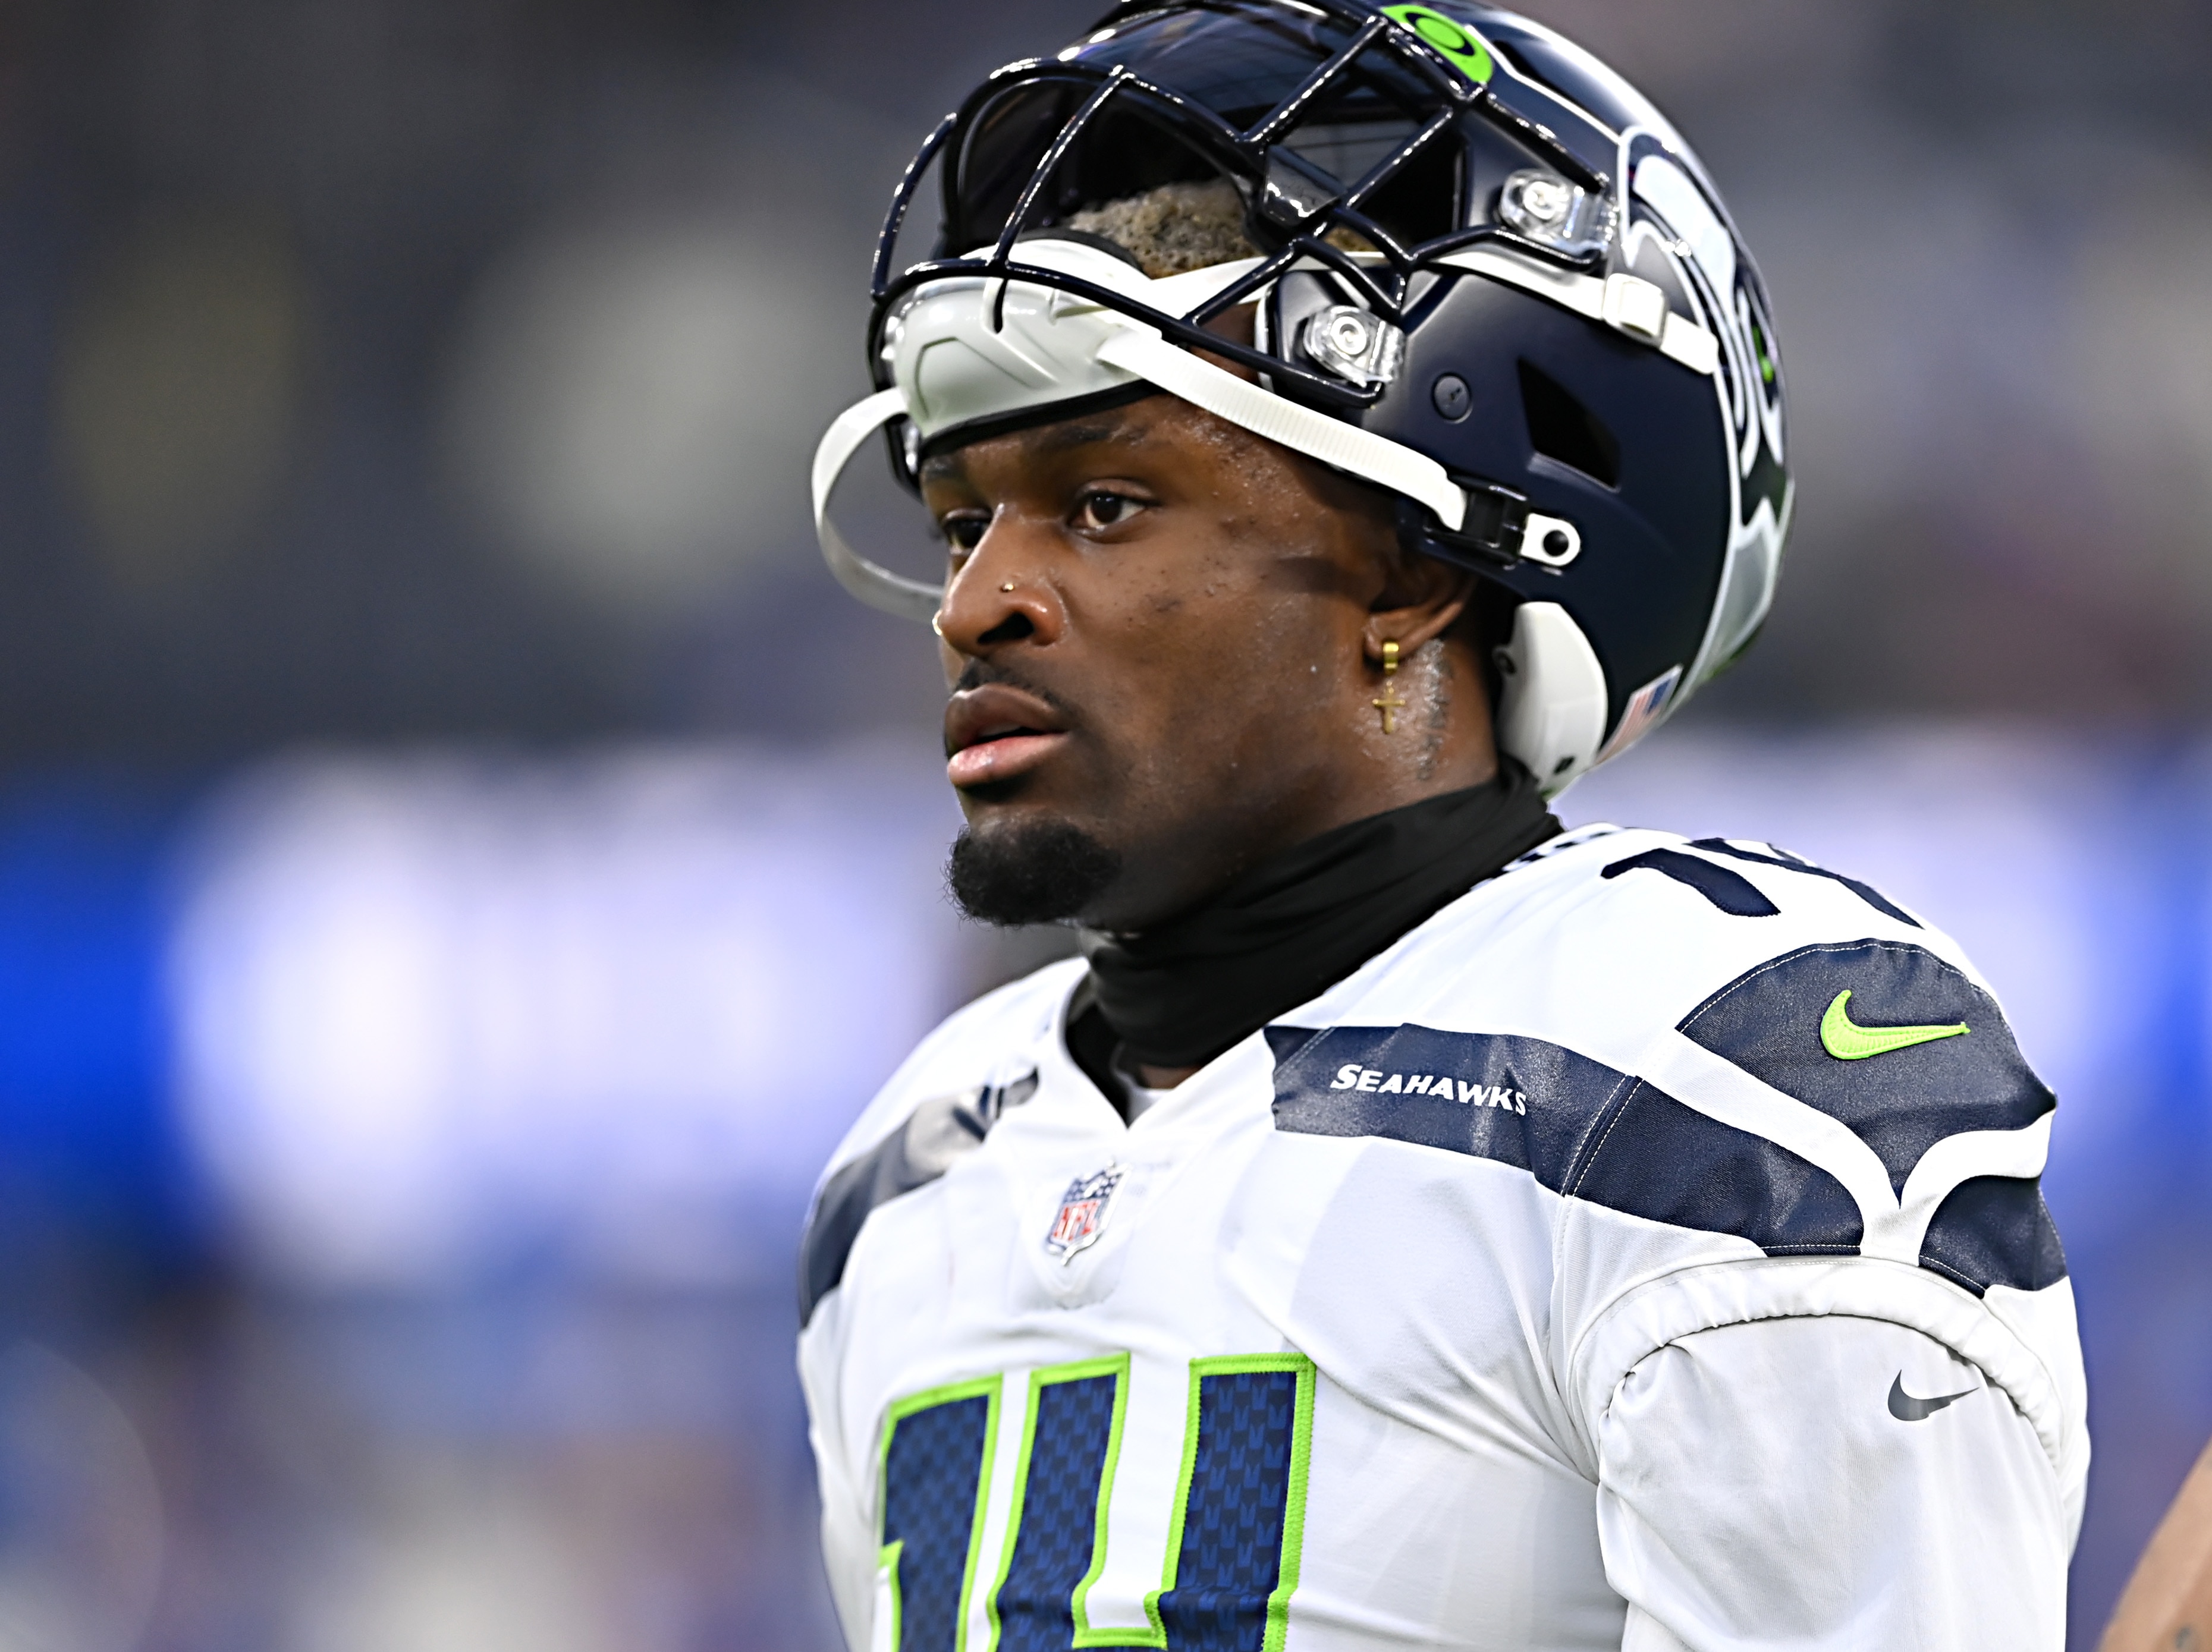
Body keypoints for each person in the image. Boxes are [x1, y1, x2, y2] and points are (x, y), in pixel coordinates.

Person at [797, 4, 2086, 1647]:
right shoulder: (911, 1170)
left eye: (1102, 504)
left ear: (1413, 569)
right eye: (964, 517)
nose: (976, 603)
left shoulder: (1719, 1077)